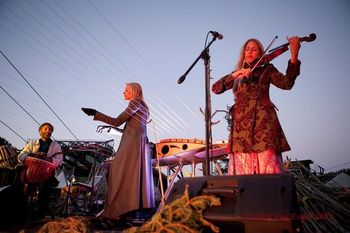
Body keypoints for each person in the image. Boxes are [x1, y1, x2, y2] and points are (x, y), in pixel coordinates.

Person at [212, 36, 301, 175]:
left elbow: (287, 83)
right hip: (240, 131)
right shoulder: (237, 75)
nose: (250, 52)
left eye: (254, 49)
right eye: (247, 49)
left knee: (268, 172)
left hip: (263, 126)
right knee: (242, 176)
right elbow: (216, 88)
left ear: (260, 53)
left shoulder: (268, 69)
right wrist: (235, 75)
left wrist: (294, 54)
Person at [82, 82, 155, 221]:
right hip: (137, 143)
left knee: (117, 172)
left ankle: (120, 209)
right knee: (132, 175)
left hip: (132, 144)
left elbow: (117, 121)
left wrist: (95, 113)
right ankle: (128, 209)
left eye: (126, 90)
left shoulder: (135, 103)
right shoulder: (142, 105)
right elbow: (131, 126)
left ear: (134, 91)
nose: (123, 92)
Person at [18, 122, 63, 217]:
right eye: (46, 129)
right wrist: (34, 155)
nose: (48, 131)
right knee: (23, 190)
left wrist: (48, 159)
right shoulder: (32, 143)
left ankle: (40, 213)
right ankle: (21, 211)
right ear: (40, 131)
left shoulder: (56, 146)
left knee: (44, 191)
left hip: (46, 173)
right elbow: (21, 156)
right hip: (30, 172)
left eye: (50, 129)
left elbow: (59, 160)